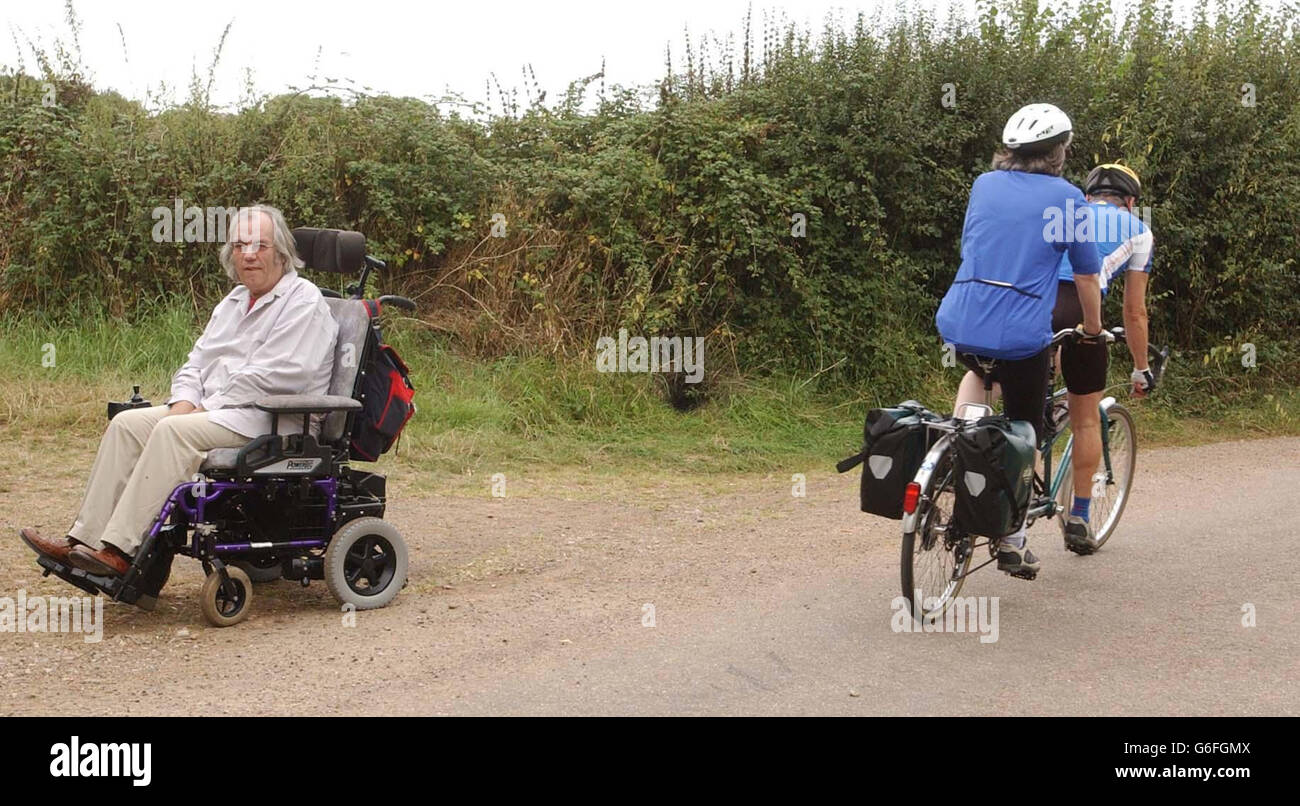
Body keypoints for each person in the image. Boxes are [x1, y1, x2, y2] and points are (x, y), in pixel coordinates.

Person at [19, 204, 339, 577]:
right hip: (219, 412)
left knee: (173, 431)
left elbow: (283, 376)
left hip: (274, 420)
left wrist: (202, 410)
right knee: (128, 424)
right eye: (239, 245)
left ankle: (121, 551)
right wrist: (184, 401)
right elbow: (196, 362)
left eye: (260, 246)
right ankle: (82, 541)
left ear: (282, 252)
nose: (248, 254)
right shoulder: (232, 302)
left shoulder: (303, 301)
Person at [935, 103, 1103, 579]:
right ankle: (1011, 538)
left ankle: (954, 454)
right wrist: (1091, 331)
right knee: (1025, 427)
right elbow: (1087, 278)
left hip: (961, 322)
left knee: (978, 374)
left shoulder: (984, 185)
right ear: (1059, 152)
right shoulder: (1069, 199)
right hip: (1022, 336)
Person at [1052, 163, 1154, 554]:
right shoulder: (1139, 230)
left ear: (1089, 195)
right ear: (1130, 201)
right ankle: (1078, 516)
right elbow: (1134, 313)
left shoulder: (1064, 213)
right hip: (1080, 312)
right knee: (1086, 417)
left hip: (1032, 306)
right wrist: (1141, 368)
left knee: (1031, 394)